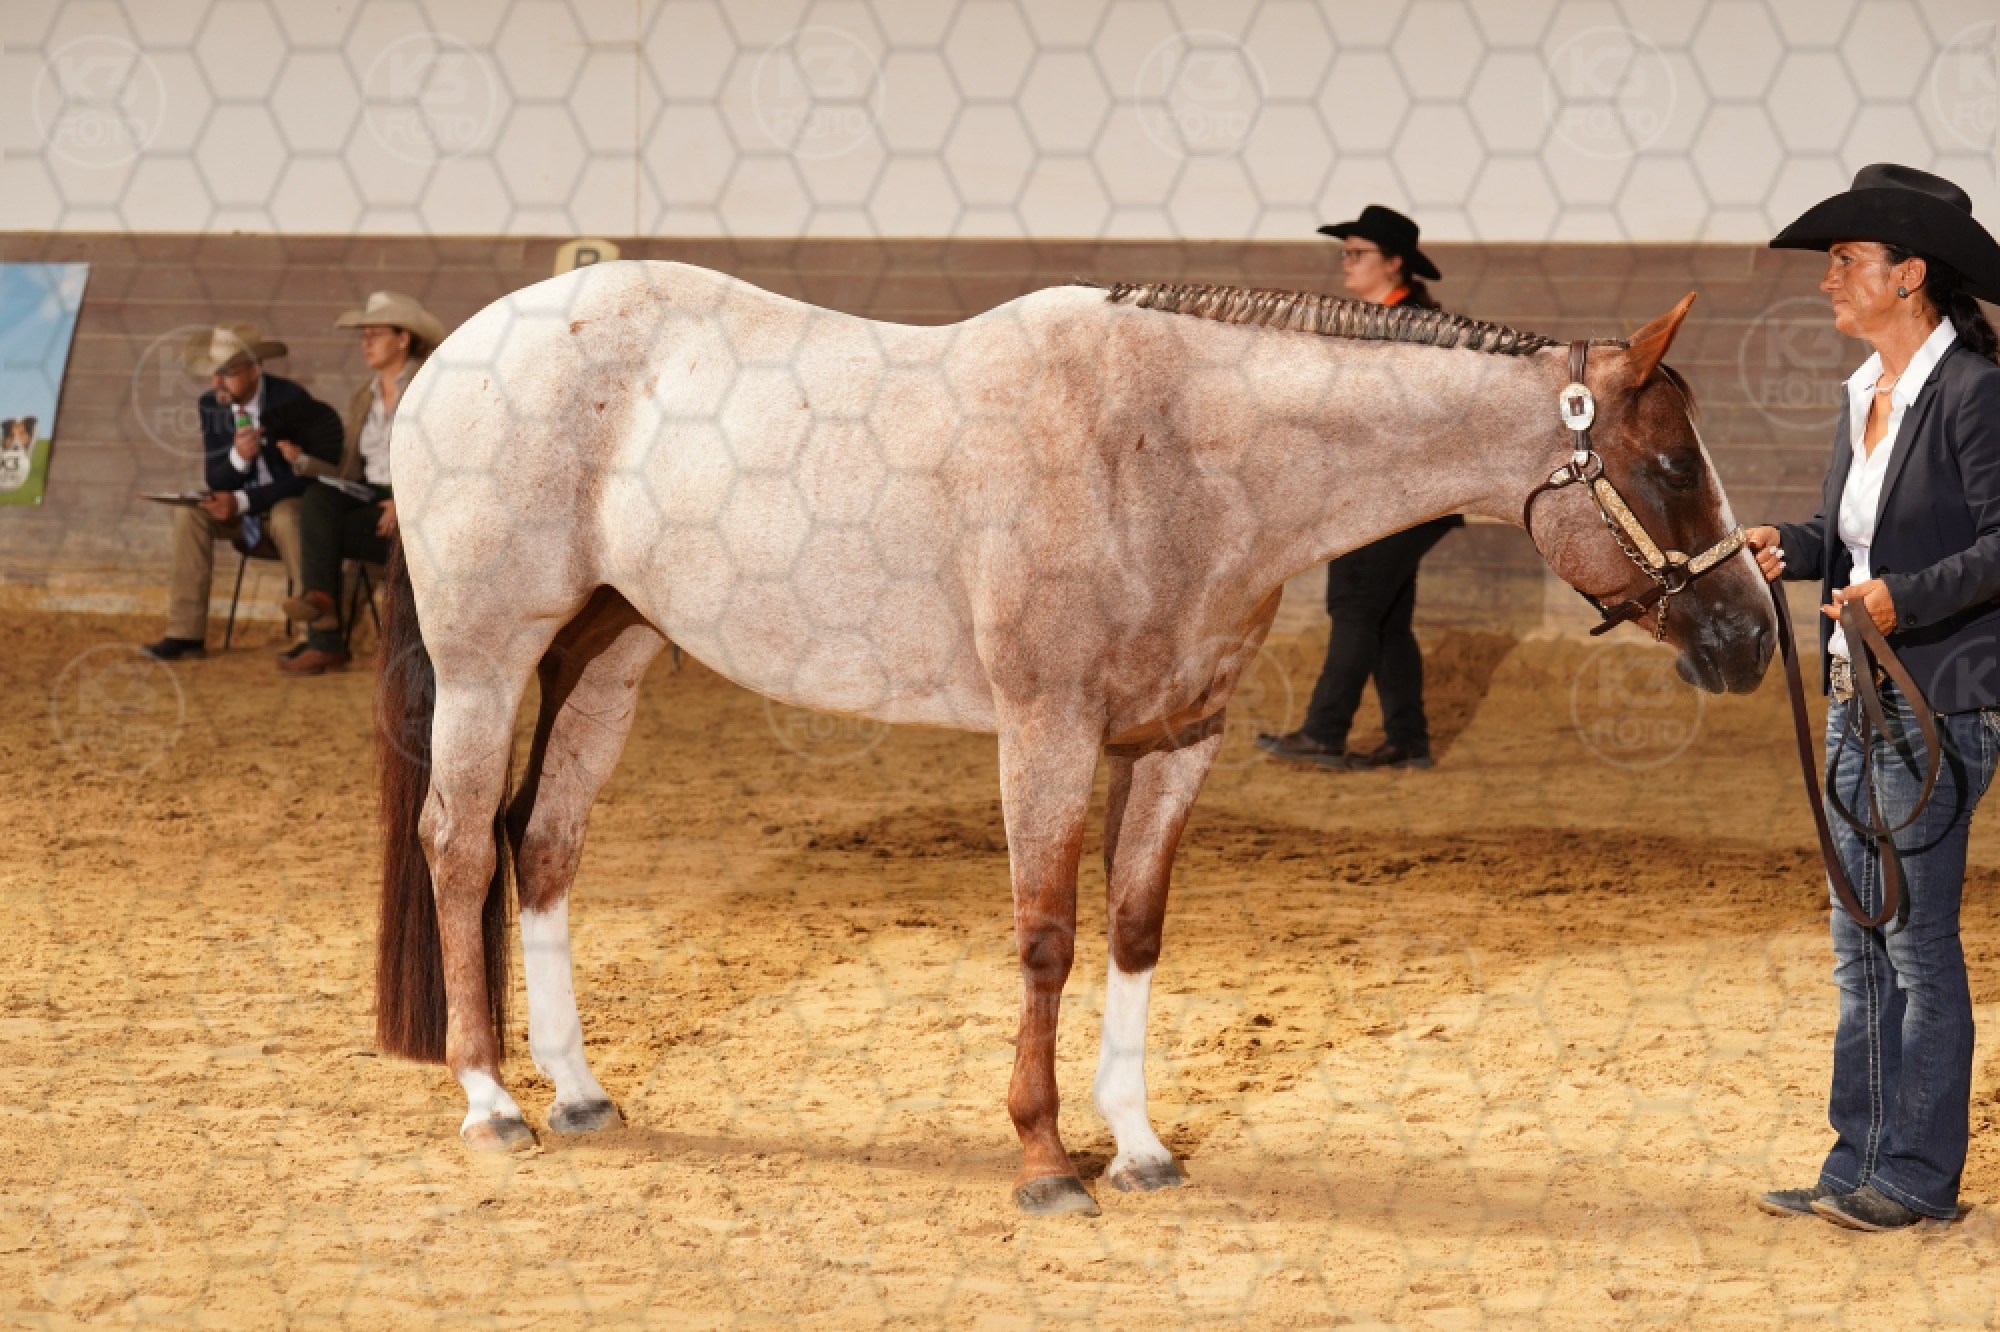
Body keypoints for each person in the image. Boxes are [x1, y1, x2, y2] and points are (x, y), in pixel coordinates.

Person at [1745, 164, 2000, 1232]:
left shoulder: (1973, 394)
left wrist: (1904, 597)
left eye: (1844, 261)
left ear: (1907, 275)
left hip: (1937, 699)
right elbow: (1862, 540)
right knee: (1858, 942)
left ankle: (1916, 1177)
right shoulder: (1866, 395)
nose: (1827, 281)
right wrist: (1793, 546)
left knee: (1914, 942)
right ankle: (1856, 1160)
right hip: (1860, 694)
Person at [1257, 206, 1464, 770]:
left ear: (1394, 263)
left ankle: (1324, 732)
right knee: (1385, 618)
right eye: (1344, 253)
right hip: (1392, 496)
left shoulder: (1412, 329)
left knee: (1354, 605)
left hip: (1397, 496)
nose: (1346, 262)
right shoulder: (1386, 322)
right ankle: (1408, 742)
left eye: (1357, 253)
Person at [142, 324, 344, 661]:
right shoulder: (212, 405)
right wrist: (238, 459)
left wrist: (243, 500)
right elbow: (215, 476)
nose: (216, 383)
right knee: (190, 513)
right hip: (239, 512)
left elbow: (307, 478)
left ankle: (312, 635)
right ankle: (185, 633)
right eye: (213, 373)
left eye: (227, 373)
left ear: (255, 369)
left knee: (290, 516)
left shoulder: (291, 399)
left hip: (283, 502)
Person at [277, 291, 446, 675]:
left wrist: (405, 503)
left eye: (375, 334)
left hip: (420, 505)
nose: (365, 343)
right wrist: (302, 461)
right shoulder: (361, 397)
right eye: (363, 335)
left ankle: (325, 639)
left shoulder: (430, 385)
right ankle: (321, 608)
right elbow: (349, 470)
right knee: (319, 498)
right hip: (370, 496)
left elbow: (447, 456)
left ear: (403, 338)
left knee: (323, 531)